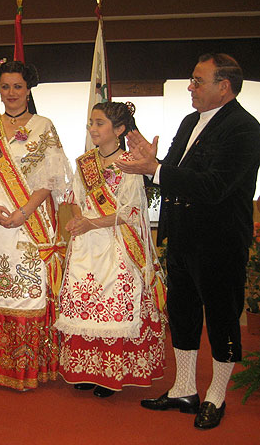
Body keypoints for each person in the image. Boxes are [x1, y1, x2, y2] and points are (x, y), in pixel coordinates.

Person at [117, 53, 260, 430]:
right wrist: (151, 164)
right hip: (181, 234)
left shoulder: (245, 128)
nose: (190, 87)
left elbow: (214, 187)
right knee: (181, 314)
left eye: (198, 81)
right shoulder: (189, 122)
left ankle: (216, 394)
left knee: (220, 317)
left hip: (219, 241)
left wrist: (157, 169)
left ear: (224, 87)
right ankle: (184, 387)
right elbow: (172, 174)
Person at [0, 60, 72, 390]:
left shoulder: (44, 125)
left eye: (17, 86)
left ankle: (26, 367)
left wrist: (24, 212)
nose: (11, 93)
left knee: (28, 293)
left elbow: (51, 177)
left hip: (29, 221)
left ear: (29, 88)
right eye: (5, 87)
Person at [54, 102, 166, 398]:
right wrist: (80, 219)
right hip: (86, 243)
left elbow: (130, 211)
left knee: (113, 301)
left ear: (119, 130)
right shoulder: (84, 162)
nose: (92, 128)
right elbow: (75, 197)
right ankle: (85, 370)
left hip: (117, 243)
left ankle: (109, 373)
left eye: (100, 123)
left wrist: (92, 223)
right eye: (91, 122)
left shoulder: (131, 163)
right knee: (84, 299)